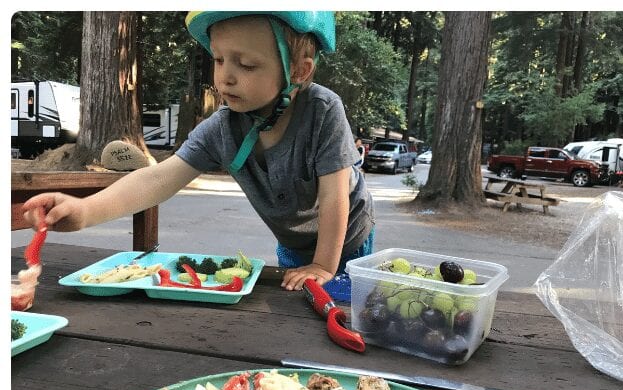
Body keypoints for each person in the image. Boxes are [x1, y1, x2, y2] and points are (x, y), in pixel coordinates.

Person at [22, 11, 375, 292]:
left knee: (345, 311)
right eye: (219, 60)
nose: (225, 78)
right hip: (292, 244)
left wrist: (324, 265)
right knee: (296, 307)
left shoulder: (323, 111)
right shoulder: (223, 128)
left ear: (298, 71)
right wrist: (84, 210)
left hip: (347, 241)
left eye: (246, 64)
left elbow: (334, 196)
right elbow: (157, 178)